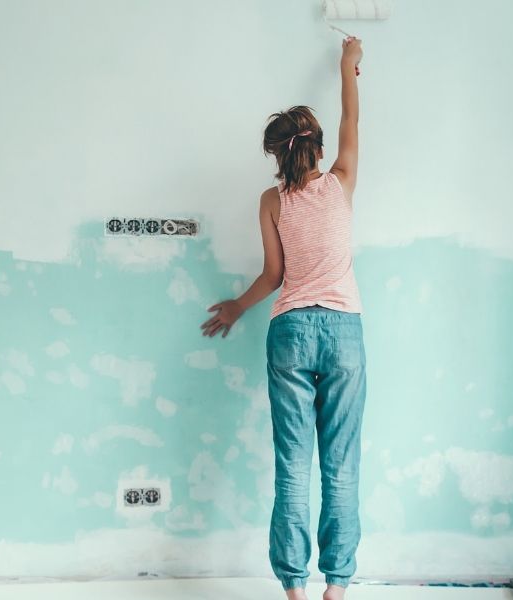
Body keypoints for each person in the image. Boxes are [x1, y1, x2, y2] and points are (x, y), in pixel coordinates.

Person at [201, 37, 366, 600]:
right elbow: (353, 118)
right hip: (344, 333)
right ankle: (336, 589)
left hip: (290, 331)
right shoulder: (341, 181)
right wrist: (348, 66)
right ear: (318, 148)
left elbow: (272, 278)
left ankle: (294, 590)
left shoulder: (272, 202)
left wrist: (235, 308)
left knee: (293, 467)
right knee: (340, 468)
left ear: (278, 156)